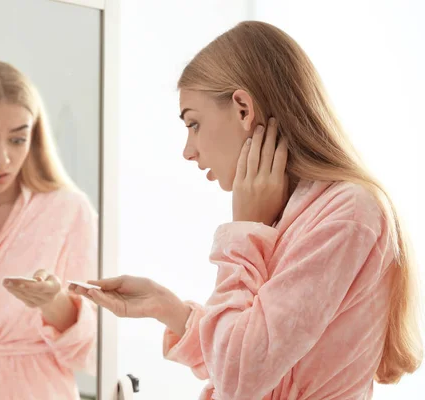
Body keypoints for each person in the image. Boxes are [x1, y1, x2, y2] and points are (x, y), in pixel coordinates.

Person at [71, 21, 423, 399]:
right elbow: (250, 355)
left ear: (242, 108)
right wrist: (168, 308)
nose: (188, 150)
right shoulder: (293, 211)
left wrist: (246, 229)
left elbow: (240, 374)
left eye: (194, 123)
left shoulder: (348, 214)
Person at [0, 59, 97, 400]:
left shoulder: (67, 210)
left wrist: (53, 302)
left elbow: (90, 352)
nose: (2, 159)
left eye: (17, 139)